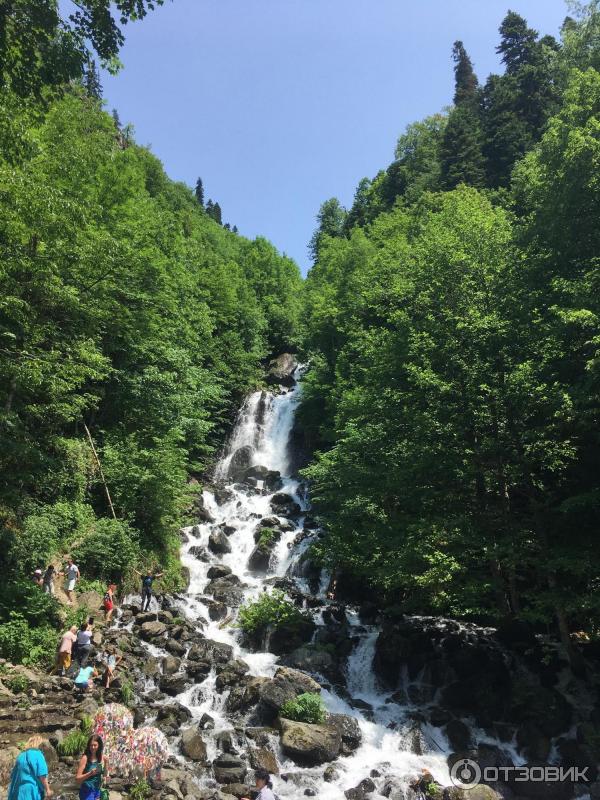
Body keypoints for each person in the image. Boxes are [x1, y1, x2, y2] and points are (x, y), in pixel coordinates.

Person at [8, 735, 53, 800]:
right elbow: (42, 775)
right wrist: (48, 790)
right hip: (32, 791)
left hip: (18, 792)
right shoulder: (38, 755)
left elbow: (13, 776)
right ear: (39, 744)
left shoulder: (21, 756)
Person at [75, 735, 107, 800]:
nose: (92, 747)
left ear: (99, 746)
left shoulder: (101, 757)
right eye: (91, 745)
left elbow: (104, 775)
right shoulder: (85, 758)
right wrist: (90, 773)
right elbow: (77, 779)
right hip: (86, 791)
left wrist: (106, 763)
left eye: (95, 745)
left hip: (97, 791)